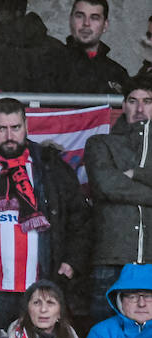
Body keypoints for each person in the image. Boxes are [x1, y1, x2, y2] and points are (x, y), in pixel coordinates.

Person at [0, 99, 90, 330]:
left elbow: (80, 220)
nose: (9, 136)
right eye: (1, 128)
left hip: (41, 288)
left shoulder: (50, 166)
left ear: (26, 125)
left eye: (15, 127)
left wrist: (71, 262)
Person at [85, 74, 152, 322]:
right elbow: (106, 186)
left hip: (151, 259)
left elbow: (119, 185)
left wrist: (136, 173)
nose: (140, 108)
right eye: (133, 100)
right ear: (123, 105)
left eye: (147, 100)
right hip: (111, 259)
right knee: (105, 333)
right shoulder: (100, 143)